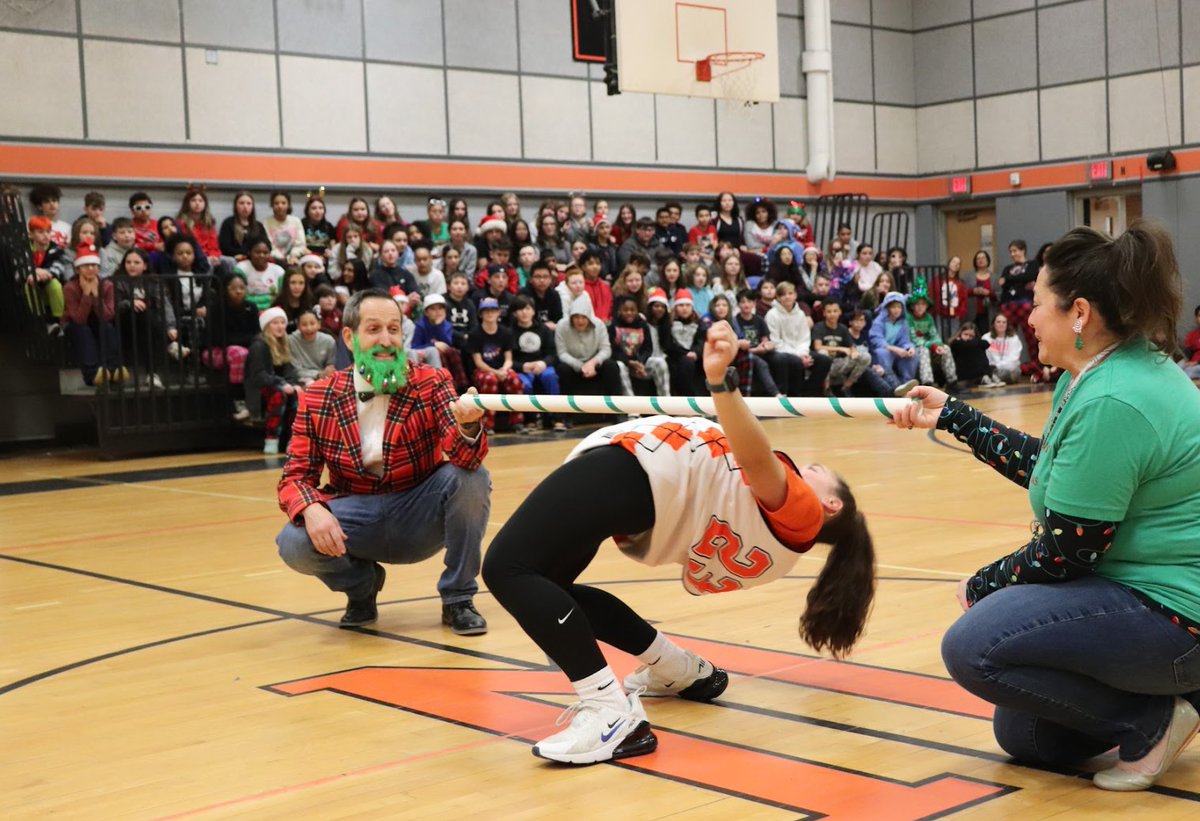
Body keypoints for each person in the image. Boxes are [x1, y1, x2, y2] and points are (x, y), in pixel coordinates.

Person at [893, 222, 1200, 792]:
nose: (1028, 317)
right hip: (1138, 597)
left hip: (1177, 618)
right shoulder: (1093, 373)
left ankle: (1151, 722)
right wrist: (957, 417)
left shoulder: (1114, 398)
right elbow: (1055, 470)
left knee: (972, 646)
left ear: (1078, 312)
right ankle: (1176, 699)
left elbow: (1071, 550)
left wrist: (983, 584)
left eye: (1037, 304)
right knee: (1029, 736)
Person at [483, 319, 876, 764]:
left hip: (642, 474)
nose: (810, 468)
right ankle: (677, 669)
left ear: (831, 505)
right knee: (549, 587)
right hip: (651, 489)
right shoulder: (783, 546)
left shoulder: (802, 512)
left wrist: (720, 380)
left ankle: (609, 711)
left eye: (820, 472)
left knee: (507, 568)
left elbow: (754, 457)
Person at [276, 289, 491, 635]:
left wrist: (468, 426)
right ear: (350, 337)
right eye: (374, 329)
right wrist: (311, 509)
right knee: (293, 541)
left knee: (472, 477)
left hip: (420, 511)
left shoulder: (432, 381)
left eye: (394, 329)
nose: (386, 340)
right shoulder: (318, 396)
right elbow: (294, 478)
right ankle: (362, 587)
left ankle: (458, 597)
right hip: (356, 516)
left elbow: (467, 458)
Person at [983, 313, 1023, 384]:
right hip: (992, 369)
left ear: (1007, 325)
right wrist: (993, 367)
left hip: (1009, 368)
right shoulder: (986, 338)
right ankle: (995, 378)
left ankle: (993, 379)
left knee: (1016, 371)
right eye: (998, 322)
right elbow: (985, 357)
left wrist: (998, 366)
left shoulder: (1014, 338)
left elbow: (1013, 359)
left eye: (1004, 322)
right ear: (993, 324)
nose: (1001, 324)